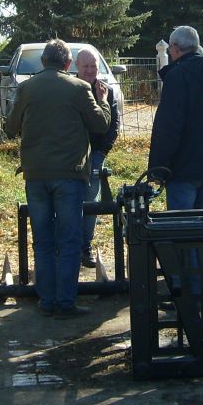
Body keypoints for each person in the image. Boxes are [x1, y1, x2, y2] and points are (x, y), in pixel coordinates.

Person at [3, 39, 111, 318]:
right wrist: (103, 102)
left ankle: (46, 300)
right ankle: (65, 302)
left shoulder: (26, 88)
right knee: (70, 239)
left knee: (43, 239)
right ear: (67, 64)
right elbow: (100, 123)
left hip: (35, 174)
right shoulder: (79, 88)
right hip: (69, 175)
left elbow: (11, 128)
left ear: (43, 62)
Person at [148, 25, 203, 299]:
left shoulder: (178, 76)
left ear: (174, 49)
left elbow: (168, 127)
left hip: (184, 167)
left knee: (183, 231)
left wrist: (158, 168)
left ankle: (189, 293)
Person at [76, 46, 121, 268]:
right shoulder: (71, 89)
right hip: (72, 156)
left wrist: (102, 152)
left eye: (93, 66)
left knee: (90, 201)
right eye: (86, 66)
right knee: (69, 201)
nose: (90, 70)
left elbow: (114, 124)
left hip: (95, 154)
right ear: (77, 67)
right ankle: (70, 247)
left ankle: (85, 247)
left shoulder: (106, 90)